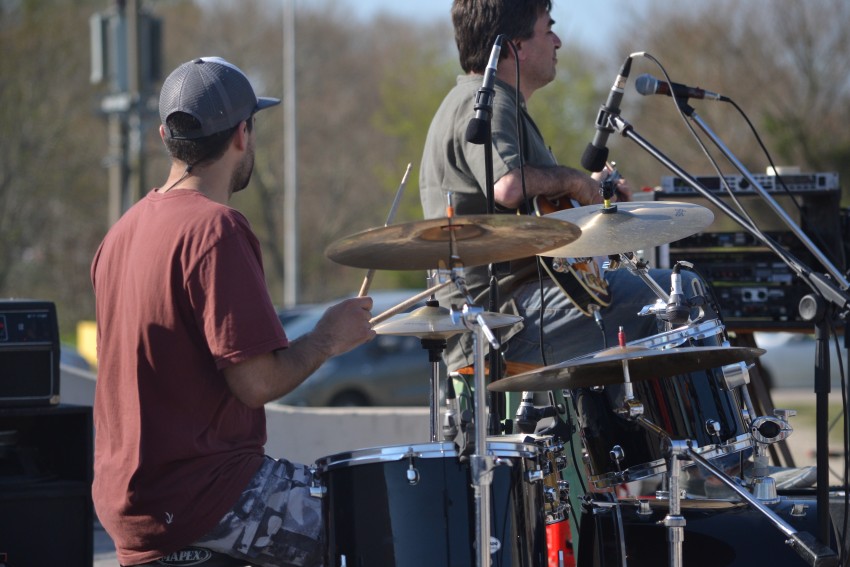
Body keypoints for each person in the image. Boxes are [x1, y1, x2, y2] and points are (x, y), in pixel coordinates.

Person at [419, 0, 720, 555]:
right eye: (548, 29)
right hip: (506, 318)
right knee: (680, 299)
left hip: (511, 310)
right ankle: (715, 462)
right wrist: (578, 184)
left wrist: (588, 194)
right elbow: (510, 188)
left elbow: (530, 215)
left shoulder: (479, 103)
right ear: (513, 46)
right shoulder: (488, 102)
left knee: (655, 298)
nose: (558, 42)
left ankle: (645, 466)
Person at [91, 56, 375, 567]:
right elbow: (256, 382)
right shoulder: (216, 229)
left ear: (164, 135)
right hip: (201, 496)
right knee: (375, 521)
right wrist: (328, 337)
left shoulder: (119, 234)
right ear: (243, 134)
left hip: (129, 503)